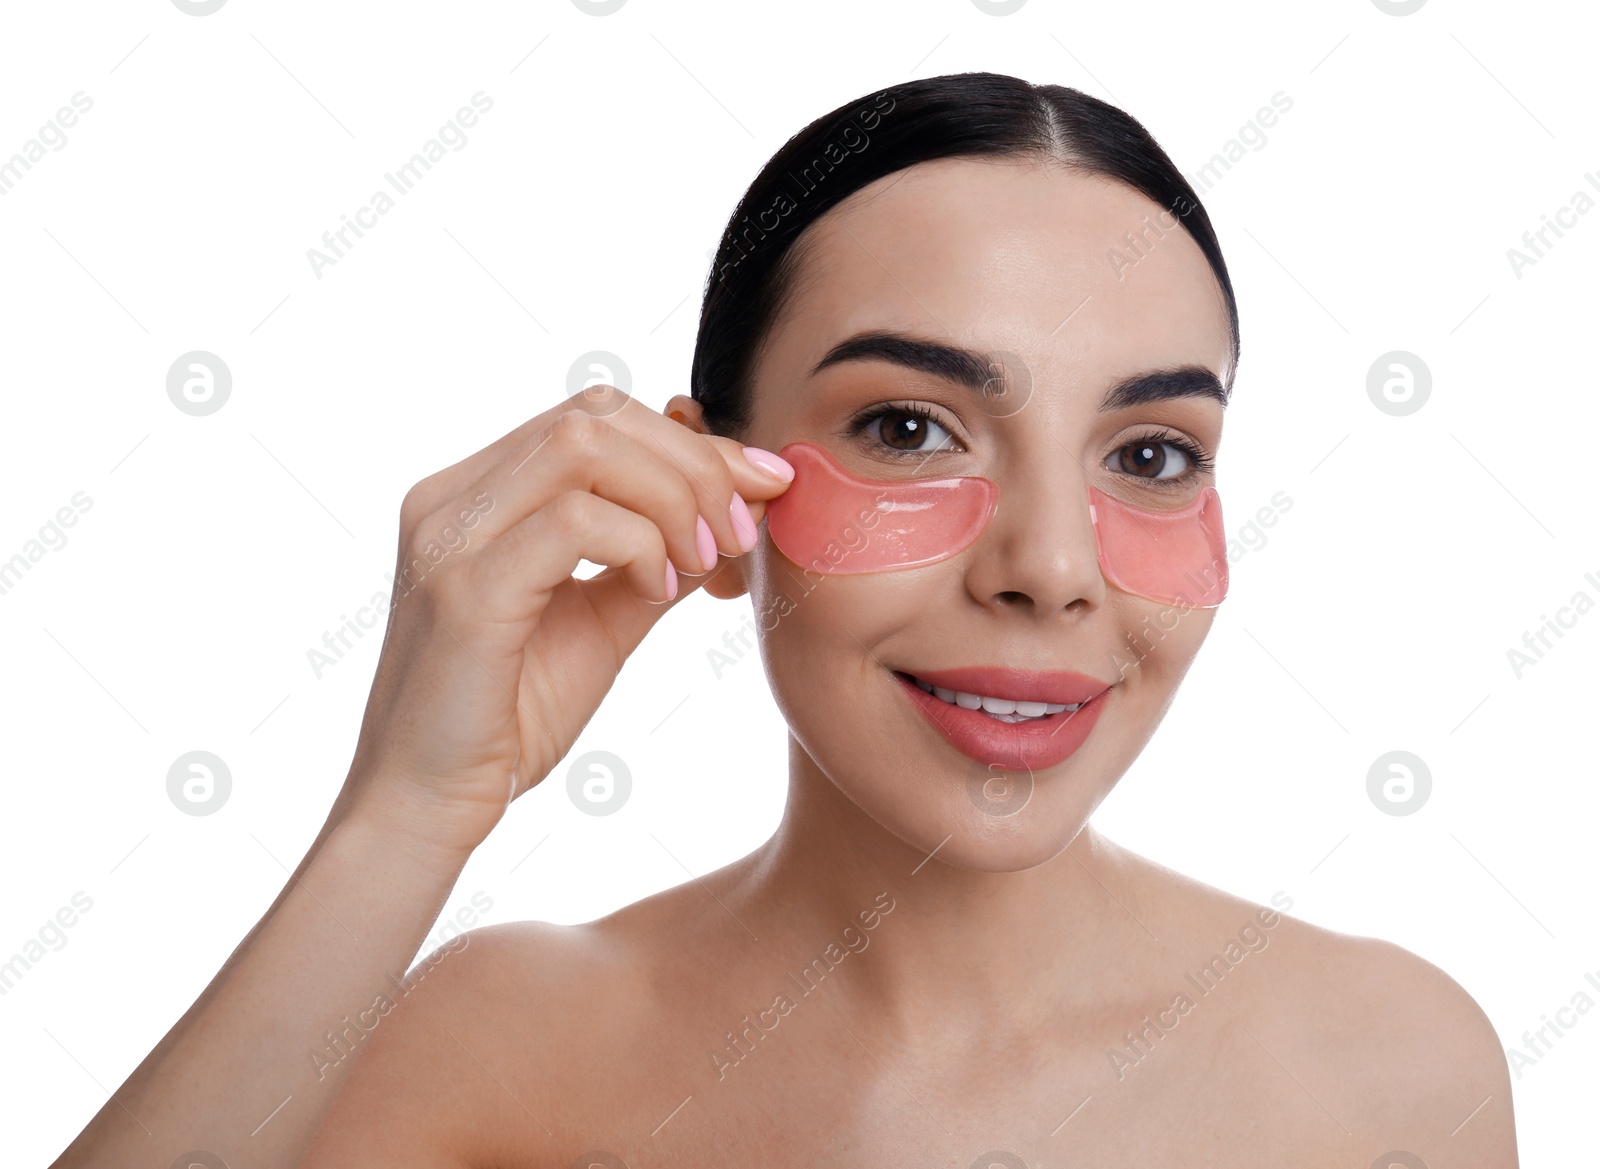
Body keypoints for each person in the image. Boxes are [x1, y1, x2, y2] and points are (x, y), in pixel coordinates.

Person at [52, 72, 1517, 1168]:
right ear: (713, 484)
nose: (1053, 567)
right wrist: (406, 813)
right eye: (907, 425)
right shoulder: (499, 1046)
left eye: (1149, 454)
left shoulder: (1387, 1067)